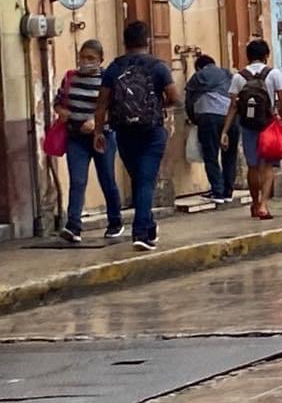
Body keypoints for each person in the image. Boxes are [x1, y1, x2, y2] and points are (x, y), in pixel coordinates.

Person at [94, 20, 179, 251]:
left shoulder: (114, 68)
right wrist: (160, 106)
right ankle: (141, 232)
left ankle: (148, 227)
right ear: (147, 41)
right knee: (145, 181)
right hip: (152, 132)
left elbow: (101, 103)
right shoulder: (158, 67)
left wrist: (98, 131)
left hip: (124, 132)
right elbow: (174, 96)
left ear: (125, 42)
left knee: (139, 179)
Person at [54, 39, 124, 243]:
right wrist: (61, 111)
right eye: (83, 57)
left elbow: (116, 108)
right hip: (75, 138)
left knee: (107, 179)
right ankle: (73, 226)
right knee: (77, 181)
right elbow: (58, 101)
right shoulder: (70, 78)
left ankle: (115, 222)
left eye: (91, 58)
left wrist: (97, 123)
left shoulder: (108, 79)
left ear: (101, 60)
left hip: (101, 137)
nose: (86, 62)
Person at [221, 38, 282, 221]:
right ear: (266, 56)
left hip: (248, 126)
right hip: (269, 125)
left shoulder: (239, 77)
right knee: (268, 166)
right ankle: (264, 204)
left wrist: (225, 131)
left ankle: (254, 203)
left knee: (252, 166)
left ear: (248, 56)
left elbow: (233, 106)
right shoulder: (274, 74)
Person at [185, 53, 238, 203]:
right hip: (231, 118)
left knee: (211, 155)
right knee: (230, 156)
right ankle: (228, 191)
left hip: (209, 118)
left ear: (199, 67)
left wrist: (194, 119)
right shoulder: (228, 74)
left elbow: (189, 101)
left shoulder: (198, 76)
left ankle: (218, 191)